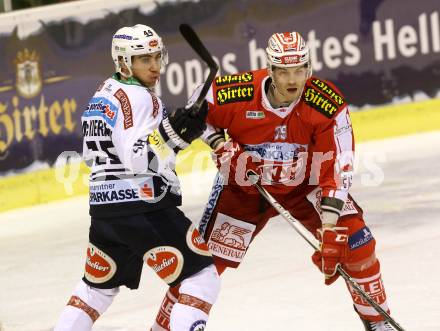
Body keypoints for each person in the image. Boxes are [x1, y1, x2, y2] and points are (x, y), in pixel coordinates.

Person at [151, 31, 395, 331]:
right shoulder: (237, 92)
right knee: (202, 267)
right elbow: (196, 107)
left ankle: (379, 324)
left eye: (299, 70)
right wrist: (219, 144)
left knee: (357, 244)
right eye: (284, 71)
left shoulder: (326, 103)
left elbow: (338, 169)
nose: (293, 80)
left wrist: (330, 228)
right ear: (270, 70)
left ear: (309, 68)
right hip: (243, 191)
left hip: (306, 187)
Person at [54, 24, 220, 331]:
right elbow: (139, 159)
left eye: (157, 56)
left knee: (96, 290)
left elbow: (124, 151)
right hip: (143, 208)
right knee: (201, 278)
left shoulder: (102, 93)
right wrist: (174, 133)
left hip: (105, 212)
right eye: (144, 59)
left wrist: (175, 134)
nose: (155, 66)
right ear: (123, 62)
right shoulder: (142, 98)